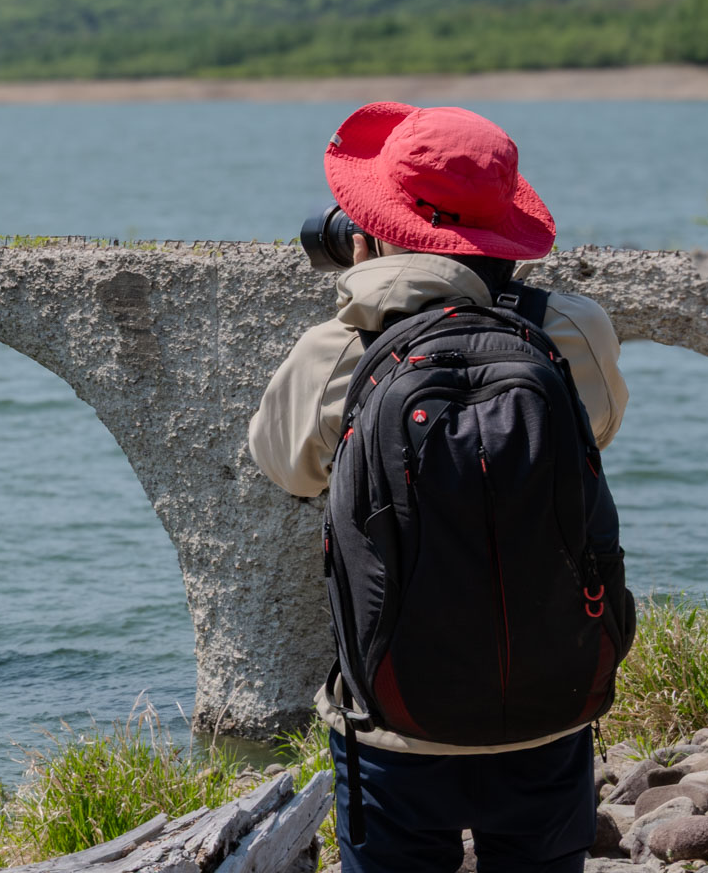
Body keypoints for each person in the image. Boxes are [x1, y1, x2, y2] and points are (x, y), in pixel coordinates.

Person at [249, 102, 631, 873]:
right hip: (547, 708)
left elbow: (286, 469)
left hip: (395, 719)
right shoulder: (573, 328)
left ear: (372, 229)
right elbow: (597, 433)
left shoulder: (338, 349)